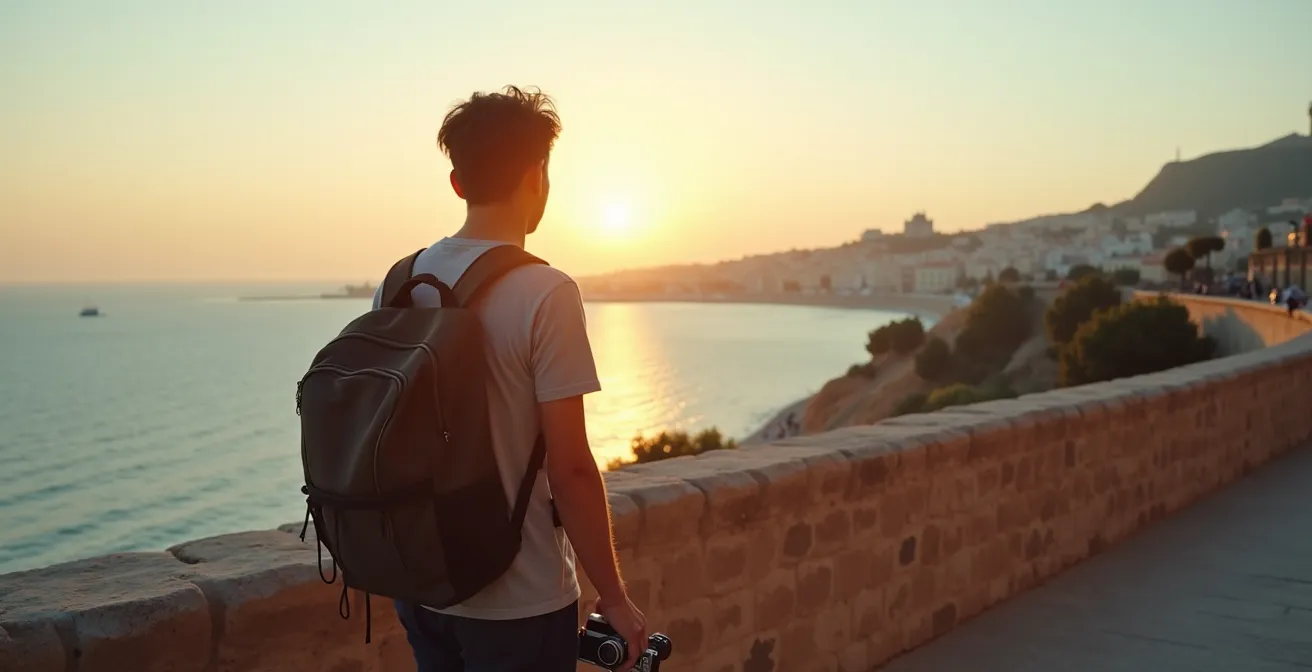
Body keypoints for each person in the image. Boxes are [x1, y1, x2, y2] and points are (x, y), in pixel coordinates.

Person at [376, 86, 647, 672]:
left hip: (424, 583)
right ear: (538, 176)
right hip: (518, 598)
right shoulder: (546, 292)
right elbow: (572, 468)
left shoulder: (400, 280)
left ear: (457, 182)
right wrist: (616, 598)